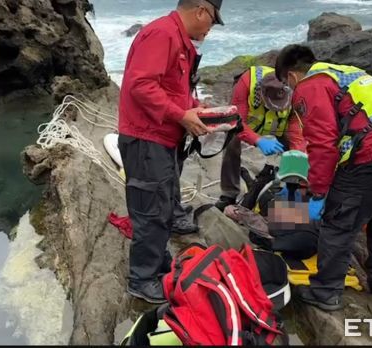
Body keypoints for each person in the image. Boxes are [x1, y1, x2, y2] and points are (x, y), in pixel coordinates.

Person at [275, 44, 372, 311]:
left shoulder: (310, 86)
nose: (290, 90)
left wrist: (319, 193)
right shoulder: (347, 73)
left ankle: (326, 292)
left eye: (287, 84)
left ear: (292, 76)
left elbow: (322, 144)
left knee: (338, 224)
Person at [117, 0, 223, 304]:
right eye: (213, 21)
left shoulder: (179, 41)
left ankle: (157, 262)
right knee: (150, 210)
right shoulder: (162, 34)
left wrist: (193, 108)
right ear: (202, 10)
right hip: (145, 139)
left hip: (161, 139)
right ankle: (142, 280)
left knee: (162, 205)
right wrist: (180, 115)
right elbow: (141, 85)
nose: (210, 29)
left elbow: (171, 88)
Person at [214, 65, 306, 211]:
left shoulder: (296, 90)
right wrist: (257, 139)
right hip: (250, 124)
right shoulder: (246, 83)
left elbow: (296, 129)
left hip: (280, 126)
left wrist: (297, 155)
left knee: (296, 153)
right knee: (231, 140)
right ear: (262, 94)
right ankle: (229, 195)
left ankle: (292, 192)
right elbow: (236, 121)